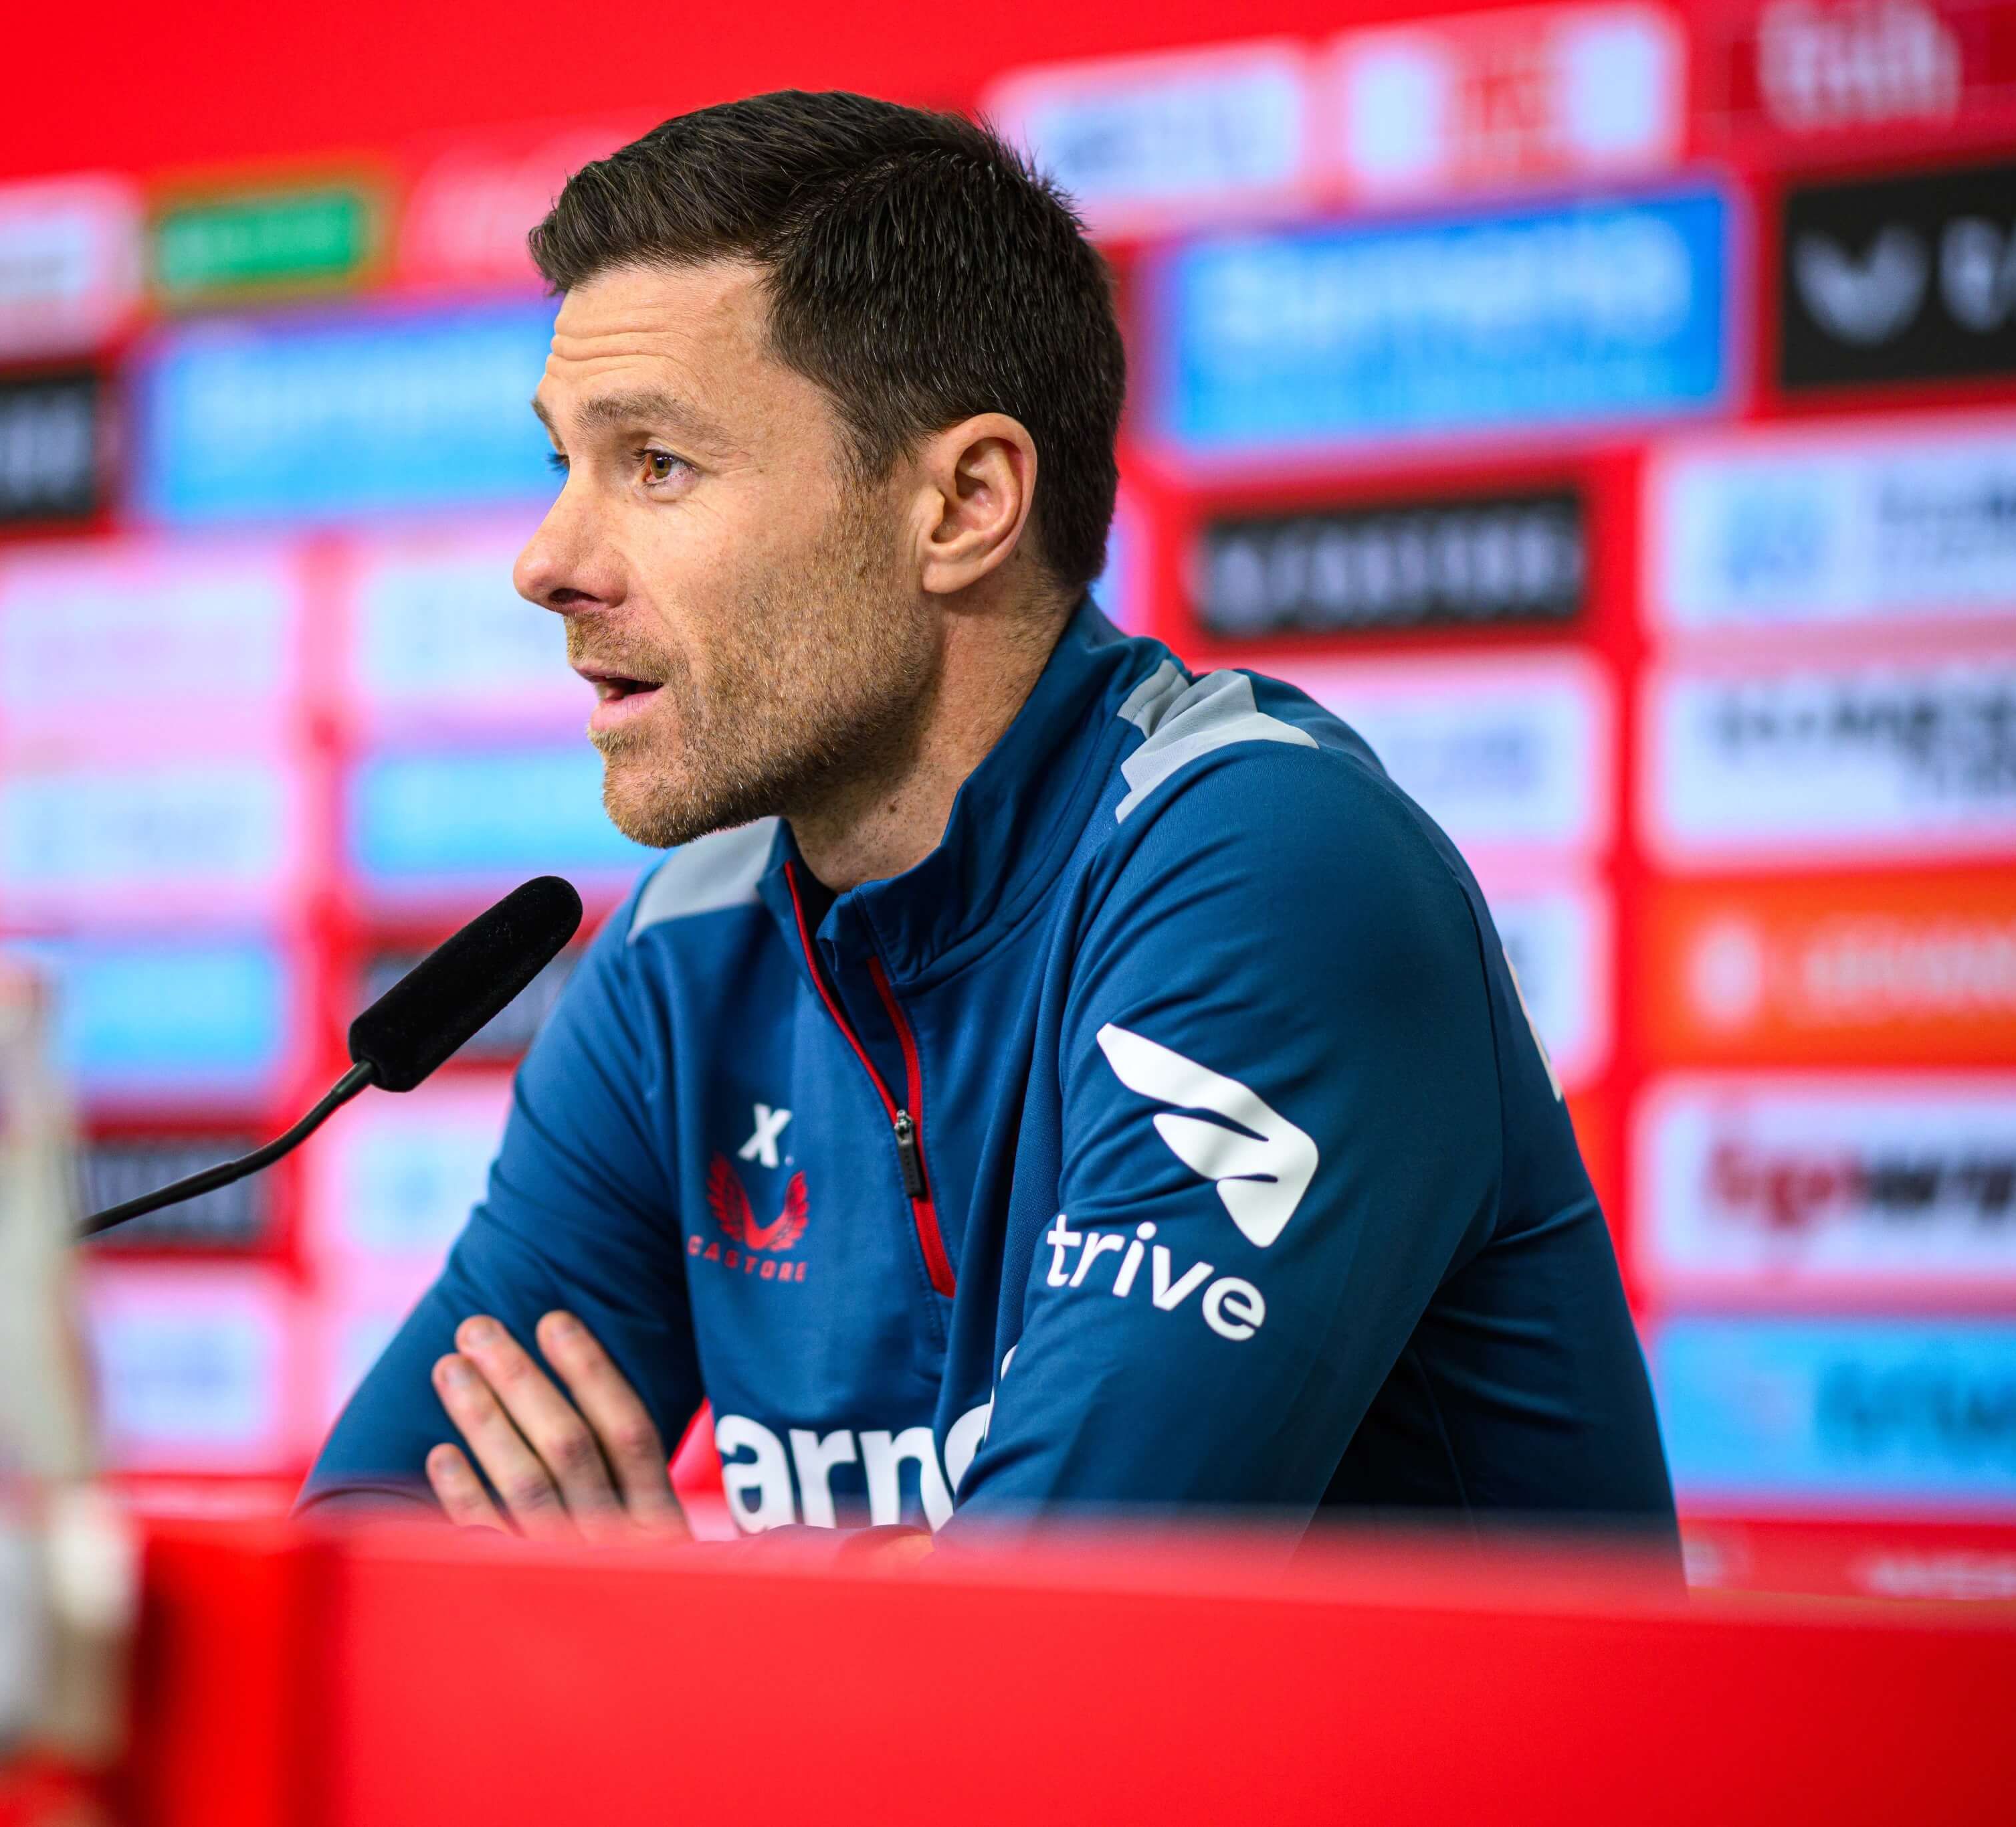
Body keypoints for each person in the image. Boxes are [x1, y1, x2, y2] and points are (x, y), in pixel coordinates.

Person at [300, 90, 1677, 1554]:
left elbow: (1035, 1663)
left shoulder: (1263, 869)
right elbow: (370, 1538)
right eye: (561, 464)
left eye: (655, 464)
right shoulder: (679, 957)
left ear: (962, 504)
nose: (547, 560)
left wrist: (649, 1642)